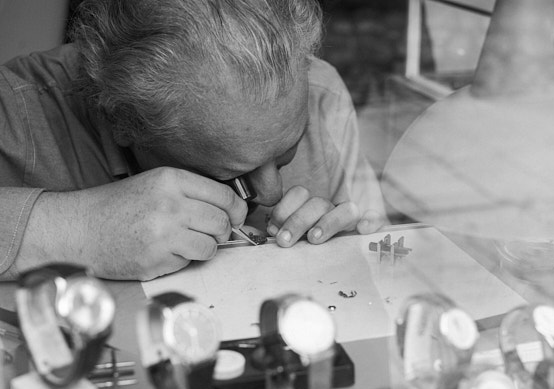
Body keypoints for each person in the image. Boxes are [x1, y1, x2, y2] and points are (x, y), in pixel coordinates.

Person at [0, 0, 388, 282]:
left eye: (287, 153)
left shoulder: (322, 95)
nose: (271, 195)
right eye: (228, 174)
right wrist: (80, 229)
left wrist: (349, 255)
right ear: (122, 119)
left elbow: (376, 265)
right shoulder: (17, 115)